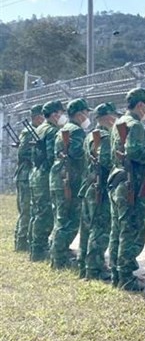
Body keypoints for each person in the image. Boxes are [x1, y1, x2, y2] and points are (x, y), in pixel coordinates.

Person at [109, 88, 145, 290]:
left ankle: (117, 274)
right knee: (131, 231)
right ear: (140, 105)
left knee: (119, 230)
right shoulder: (134, 125)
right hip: (132, 185)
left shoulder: (118, 123)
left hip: (119, 182)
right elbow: (135, 152)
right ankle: (126, 278)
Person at [78, 102, 121, 280]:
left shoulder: (91, 135)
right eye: (114, 116)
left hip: (91, 186)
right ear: (107, 117)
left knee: (89, 226)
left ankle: (85, 264)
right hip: (99, 188)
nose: (116, 120)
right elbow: (105, 161)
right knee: (100, 227)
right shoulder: (103, 136)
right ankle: (94, 268)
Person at [49, 98, 91, 269]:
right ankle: (59, 258)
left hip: (59, 178)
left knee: (60, 218)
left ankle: (57, 254)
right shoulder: (77, 131)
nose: (88, 116)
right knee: (69, 220)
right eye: (87, 112)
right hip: (70, 180)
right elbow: (78, 154)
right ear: (80, 114)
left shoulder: (63, 129)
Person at [29, 100, 66, 262]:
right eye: (60, 112)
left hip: (36, 174)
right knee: (46, 214)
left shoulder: (40, 128)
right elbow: (52, 157)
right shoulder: (51, 131)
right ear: (54, 114)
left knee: (38, 212)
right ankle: (39, 250)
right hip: (45, 176)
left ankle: (36, 247)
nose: (61, 116)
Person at [14, 104, 44, 251]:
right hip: (25, 175)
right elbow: (23, 153)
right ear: (38, 117)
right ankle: (21, 243)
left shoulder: (35, 131)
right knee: (26, 210)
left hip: (28, 175)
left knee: (30, 210)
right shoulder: (29, 132)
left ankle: (25, 240)